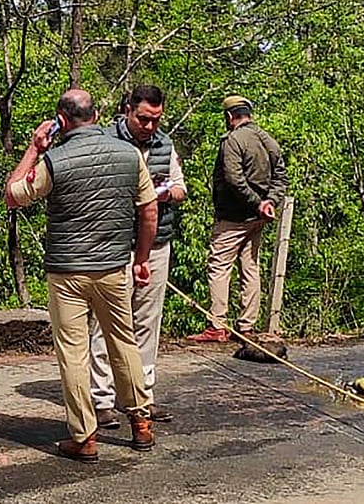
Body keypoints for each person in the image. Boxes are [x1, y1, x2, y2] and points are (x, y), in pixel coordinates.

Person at [5, 89, 159, 463]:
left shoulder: (55, 160)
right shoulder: (130, 155)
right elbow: (150, 210)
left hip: (67, 271)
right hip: (112, 267)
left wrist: (35, 147)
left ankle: (84, 436)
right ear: (97, 114)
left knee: (74, 353)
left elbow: (13, 195)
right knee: (124, 342)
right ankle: (141, 423)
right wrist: (140, 259)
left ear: (62, 118)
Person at [89, 86, 186, 428]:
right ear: (127, 110)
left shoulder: (165, 144)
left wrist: (164, 193)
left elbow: (180, 187)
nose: (149, 126)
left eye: (155, 120)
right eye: (143, 119)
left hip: (157, 242)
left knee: (146, 322)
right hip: (114, 245)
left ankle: (141, 397)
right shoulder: (104, 141)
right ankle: (100, 399)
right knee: (106, 323)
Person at [187, 95, 287, 342]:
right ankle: (246, 326)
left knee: (219, 266)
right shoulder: (268, 140)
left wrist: (259, 203)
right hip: (258, 217)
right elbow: (281, 177)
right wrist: (268, 203)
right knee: (250, 267)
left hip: (234, 216)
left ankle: (217, 325)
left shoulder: (233, 140)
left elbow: (234, 179)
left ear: (229, 117)